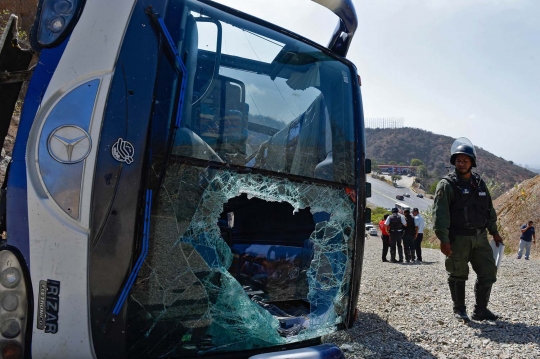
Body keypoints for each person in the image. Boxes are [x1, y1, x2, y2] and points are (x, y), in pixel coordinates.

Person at [433, 137, 504, 323]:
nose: (461, 163)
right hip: (458, 238)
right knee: (458, 274)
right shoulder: (447, 185)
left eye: (465, 160)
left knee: (489, 273)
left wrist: (494, 232)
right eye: (458, 160)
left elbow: (489, 209)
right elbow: (440, 215)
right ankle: (460, 309)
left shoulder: (479, 183)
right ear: (453, 162)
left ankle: (480, 310)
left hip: (480, 237)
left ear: (472, 162)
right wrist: (444, 240)